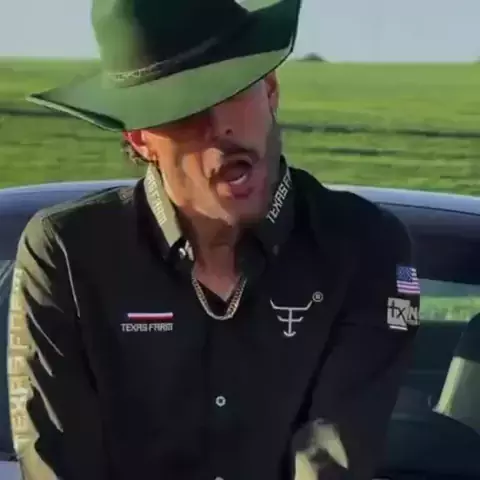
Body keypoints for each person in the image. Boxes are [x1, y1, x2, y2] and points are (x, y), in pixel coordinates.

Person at [6, 0, 421, 478]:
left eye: (235, 89)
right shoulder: (67, 252)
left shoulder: (366, 247)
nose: (220, 127)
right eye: (185, 110)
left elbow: (333, 463)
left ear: (271, 89)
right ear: (139, 137)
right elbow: (58, 463)